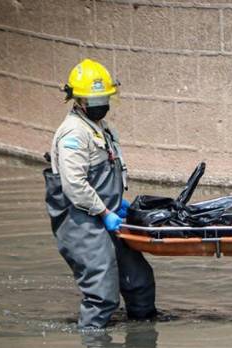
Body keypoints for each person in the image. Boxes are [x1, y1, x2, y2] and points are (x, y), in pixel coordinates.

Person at [44, 58, 156, 329]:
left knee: (139, 282)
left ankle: (142, 340)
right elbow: (74, 185)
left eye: (104, 98)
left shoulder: (103, 129)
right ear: (78, 100)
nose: (100, 105)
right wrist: (104, 212)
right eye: (94, 100)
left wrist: (118, 204)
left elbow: (111, 170)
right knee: (102, 294)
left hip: (108, 214)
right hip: (81, 221)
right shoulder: (73, 134)